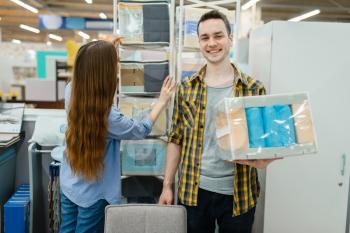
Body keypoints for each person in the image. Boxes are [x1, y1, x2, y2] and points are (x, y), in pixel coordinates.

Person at [159, 10, 278, 233]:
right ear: (199, 43)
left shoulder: (253, 89)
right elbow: (175, 139)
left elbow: (264, 143)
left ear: (230, 38)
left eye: (218, 35)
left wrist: (265, 161)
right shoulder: (187, 88)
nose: (212, 43)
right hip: (194, 192)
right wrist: (167, 186)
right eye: (205, 38)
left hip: (239, 195)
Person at [60, 40, 175, 233]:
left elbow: (90, 70)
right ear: (105, 74)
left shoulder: (71, 91)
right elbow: (140, 129)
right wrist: (161, 101)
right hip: (94, 195)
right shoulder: (109, 118)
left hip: (69, 185)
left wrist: (102, 51)